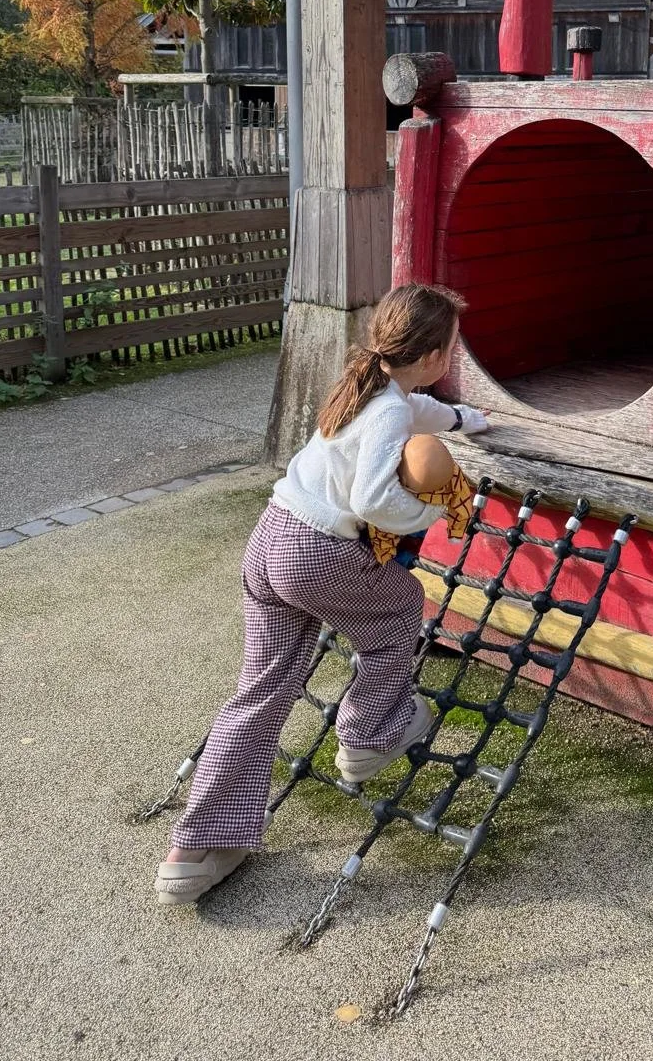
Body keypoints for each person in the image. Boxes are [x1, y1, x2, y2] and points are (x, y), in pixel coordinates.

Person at [154, 283, 489, 906]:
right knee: (400, 608)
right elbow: (371, 501)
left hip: (271, 537)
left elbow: (426, 415)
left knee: (259, 693)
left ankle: (193, 849)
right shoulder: (389, 410)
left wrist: (469, 420)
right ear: (437, 356)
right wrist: (434, 510)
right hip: (317, 550)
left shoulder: (364, 388)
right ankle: (367, 735)